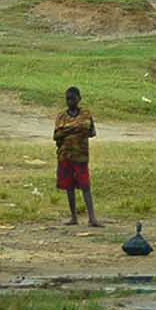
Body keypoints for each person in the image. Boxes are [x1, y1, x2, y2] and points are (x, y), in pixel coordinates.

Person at [53, 86, 100, 227]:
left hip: (81, 156)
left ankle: (92, 218)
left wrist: (68, 131)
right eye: (67, 99)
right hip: (65, 155)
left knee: (86, 186)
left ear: (79, 99)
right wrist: (77, 130)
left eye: (72, 99)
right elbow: (56, 135)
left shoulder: (86, 114)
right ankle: (74, 217)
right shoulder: (61, 116)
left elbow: (92, 132)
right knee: (69, 187)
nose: (70, 102)